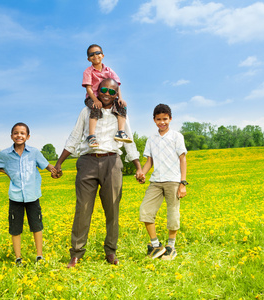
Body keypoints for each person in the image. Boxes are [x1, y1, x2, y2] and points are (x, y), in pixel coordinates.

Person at [53, 78, 142, 268]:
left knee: (112, 209)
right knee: (83, 210)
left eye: (112, 91)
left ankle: (110, 251)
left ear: (117, 94)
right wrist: (59, 163)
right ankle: (76, 253)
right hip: (87, 162)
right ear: (97, 90)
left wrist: (138, 167)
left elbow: (130, 141)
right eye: (103, 90)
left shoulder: (121, 114)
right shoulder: (87, 111)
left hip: (112, 162)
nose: (107, 94)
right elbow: (75, 137)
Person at [0, 122, 57, 265]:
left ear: (28, 136)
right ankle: (18, 257)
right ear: (11, 136)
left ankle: (39, 255)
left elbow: (46, 164)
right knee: (15, 228)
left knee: (37, 225)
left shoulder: (34, 152)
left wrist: (54, 170)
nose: (19, 135)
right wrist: (5, 171)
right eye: (16, 133)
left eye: (22, 133)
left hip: (33, 195)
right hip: (15, 197)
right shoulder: (5, 154)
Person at [135, 104, 188, 260]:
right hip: (156, 182)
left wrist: (182, 183)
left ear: (170, 119)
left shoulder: (177, 136)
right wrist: (142, 174)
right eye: (158, 119)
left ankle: (171, 246)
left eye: (165, 119)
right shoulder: (151, 139)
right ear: (154, 120)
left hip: (173, 180)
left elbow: (182, 159)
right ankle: (156, 245)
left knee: (172, 212)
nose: (162, 122)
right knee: (145, 211)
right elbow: (149, 162)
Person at [82, 44, 132, 147]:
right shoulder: (88, 71)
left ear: (103, 55)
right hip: (93, 97)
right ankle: (91, 136)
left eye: (97, 53)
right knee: (95, 108)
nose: (95, 56)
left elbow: (117, 85)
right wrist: (95, 100)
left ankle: (121, 132)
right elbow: (89, 88)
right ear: (88, 59)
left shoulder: (109, 71)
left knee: (122, 106)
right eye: (92, 54)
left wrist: (120, 98)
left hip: (107, 97)